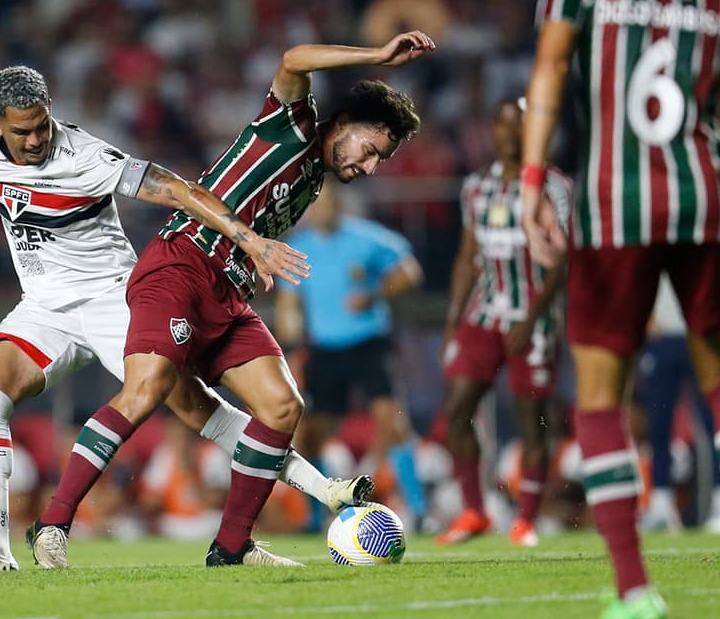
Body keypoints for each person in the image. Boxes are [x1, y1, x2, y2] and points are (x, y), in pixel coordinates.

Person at [0, 16, 373, 571]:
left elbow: (172, 188)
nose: (36, 140)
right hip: (43, 306)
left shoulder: (83, 154)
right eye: (23, 132)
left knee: (196, 411)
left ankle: (321, 489)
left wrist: (244, 236)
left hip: (116, 297)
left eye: (42, 126)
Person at [29, 31, 432, 568]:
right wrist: (378, 57)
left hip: (228, 293)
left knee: (283, 405)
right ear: (351, 121)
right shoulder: (292, 126)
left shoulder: (315, 176)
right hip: (181, 265)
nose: (369, 168)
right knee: (145, 390)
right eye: (372, 151)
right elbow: (292, 59)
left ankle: (232, 547)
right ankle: (52, 523)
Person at [519, 0, 720, 616]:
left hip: (614, 207)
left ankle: (636, 592)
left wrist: (531, 180)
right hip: (701, 202)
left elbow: (548, 72)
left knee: (601, 396)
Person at [440, 98, 569, 548]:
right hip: (482, 313)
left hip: (532, 319)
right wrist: (453, 324)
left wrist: (533, 318)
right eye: (503, 124)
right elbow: (465, 257)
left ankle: (526, 520)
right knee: (457, 409)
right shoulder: (477, 187)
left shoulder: (552, 188)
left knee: (531, 421)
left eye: (520, 125)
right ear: (492, 131)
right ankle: (475, 511)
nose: (510, 134)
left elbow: (565, 259)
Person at [274, 180, 425, 530]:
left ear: (340, 204)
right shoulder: (298, 248)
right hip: (324, 349)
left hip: (369, 342)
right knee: (312, 433)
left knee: (393, 423)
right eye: (316, 204)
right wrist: (292, 351)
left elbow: (409, 272)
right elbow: (289, 306)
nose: (322, 209)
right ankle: (317, 515)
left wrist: (374, 294)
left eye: (328, 202)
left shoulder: (368, 238)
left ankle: (419, 510)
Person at [638, 223, 720, 535]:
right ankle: (660, 503)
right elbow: (633, 269)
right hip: (665, 336)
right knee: (658, 424)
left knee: (714, 422)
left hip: (703, 334)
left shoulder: (713, 206)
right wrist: (643, 313)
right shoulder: (653, 211)